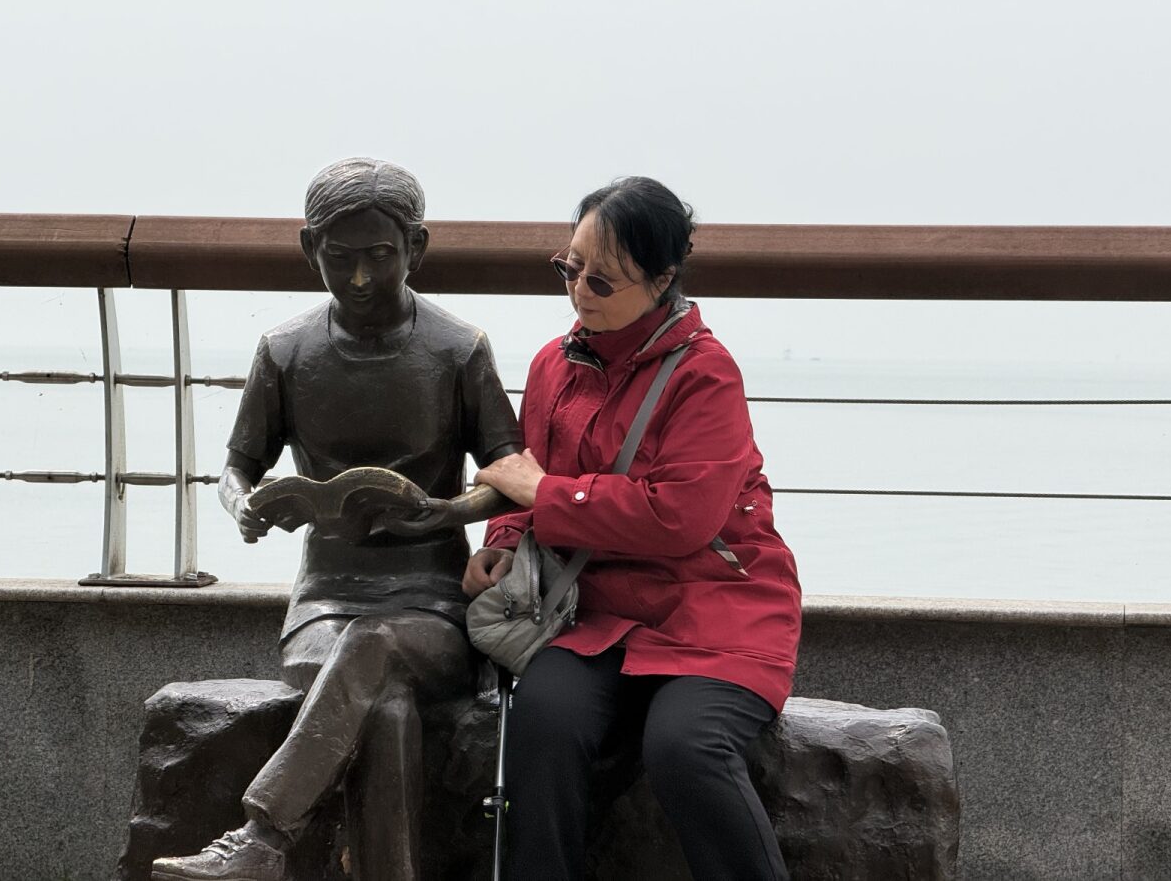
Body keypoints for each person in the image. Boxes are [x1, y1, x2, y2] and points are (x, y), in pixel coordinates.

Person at [151, 157, 522, 881]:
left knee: (375, 646)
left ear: (415, 247)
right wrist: (245, 506)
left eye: (379, 257)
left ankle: (262, 837)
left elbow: (510, 476)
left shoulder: (458, 348)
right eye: (339, 257)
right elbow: (236, 468)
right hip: (325, 602)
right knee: (383, 708)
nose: (358, 279)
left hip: (434, 606)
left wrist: (447, 509)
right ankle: (271, 848)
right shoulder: (286, 350)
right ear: (307, 248)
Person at [460, 177, 802, 880]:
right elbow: (526, 481)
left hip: (715, 613)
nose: (579, 291)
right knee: (543, 722)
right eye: (570, 268)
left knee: (686, 747)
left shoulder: (706, 374)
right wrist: (503, 544)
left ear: (662, 279)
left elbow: (680, 518)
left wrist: (544, 494)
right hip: (595, 613)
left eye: (602, 280)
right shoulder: (553, 365)